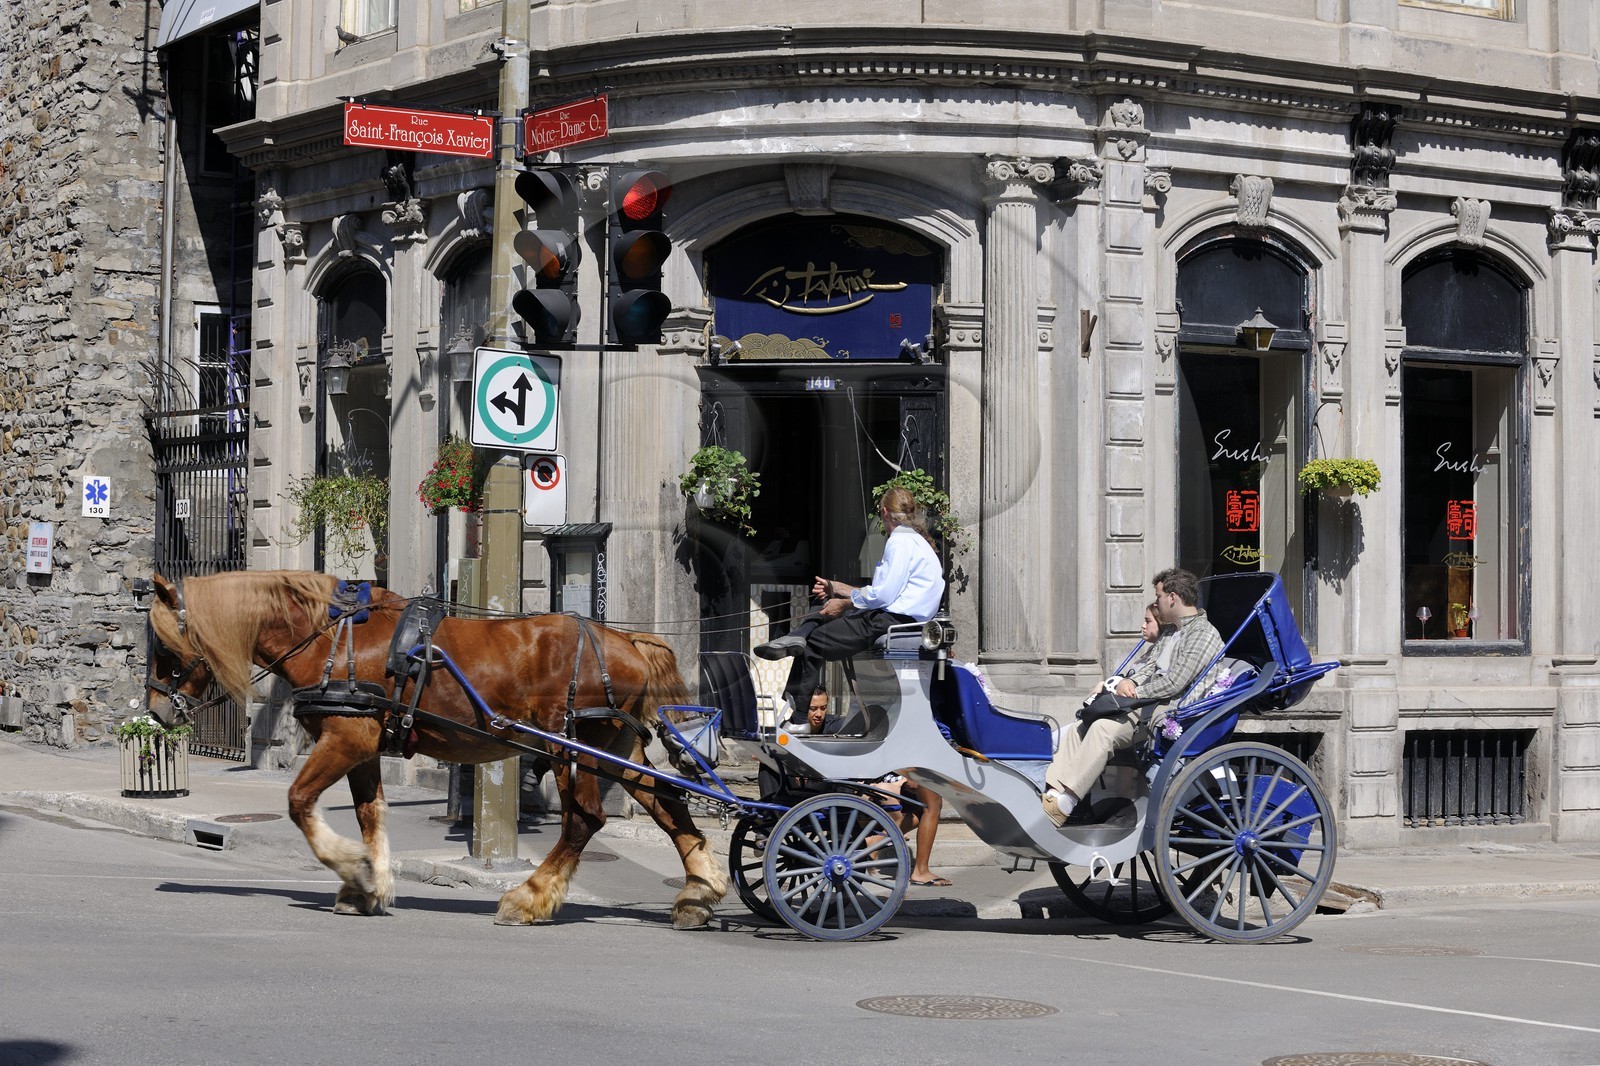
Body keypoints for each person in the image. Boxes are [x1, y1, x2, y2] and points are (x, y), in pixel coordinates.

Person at [1041, 568, 1223, 828]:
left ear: (1172, 597)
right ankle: (1054, 794)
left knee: (1103, 729)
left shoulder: (1203, 634)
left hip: (1164, 711)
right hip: (1143, 704)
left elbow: (1175, 683)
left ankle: (1067, 801)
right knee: (1082, 725)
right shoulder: (1173, 631)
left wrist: (1137, 691)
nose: (1156, 602)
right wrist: (1130, 682)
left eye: (1158, 596)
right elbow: (1149, 668)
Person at [754, 485, 945, 729]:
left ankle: (800, 717)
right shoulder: (918, 542)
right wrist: (838, 588)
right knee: (823, 600)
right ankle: (798, 636)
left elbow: (883, 595)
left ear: (884, 513)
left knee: (815, 644)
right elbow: (888, 592)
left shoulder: (899, 542)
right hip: (897, 619)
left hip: (888, 622)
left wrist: (845, 603)